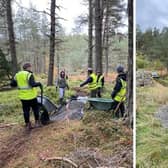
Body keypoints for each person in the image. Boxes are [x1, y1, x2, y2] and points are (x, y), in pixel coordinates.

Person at [10, 63, 42, 130]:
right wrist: (38, 83)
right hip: (31, 96)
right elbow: (32, 84)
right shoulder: (29, 74)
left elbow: (12, 84)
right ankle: (37, 123)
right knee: (35, 109)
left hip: (23, 97)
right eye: (30, 67)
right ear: (28, 67)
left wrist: (19, 84)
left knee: (26, 111)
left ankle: (27, 125)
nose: (31, 68)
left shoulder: (17, 75)